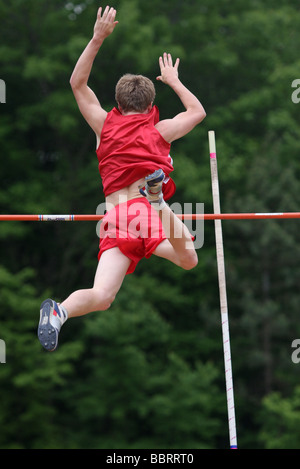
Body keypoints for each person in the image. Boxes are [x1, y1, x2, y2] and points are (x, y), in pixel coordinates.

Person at [37, 5, 206, 352]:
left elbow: (76, 83)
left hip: (114, 218)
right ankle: (158, 199)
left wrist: (97, 38)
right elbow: (198, 112)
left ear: (116, 101)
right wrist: (174, 81)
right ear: (150, 105)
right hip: (145, 210)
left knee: (102, 296)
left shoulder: (104, 125)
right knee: (189, 259)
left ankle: (60, 310)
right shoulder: (161, 131)